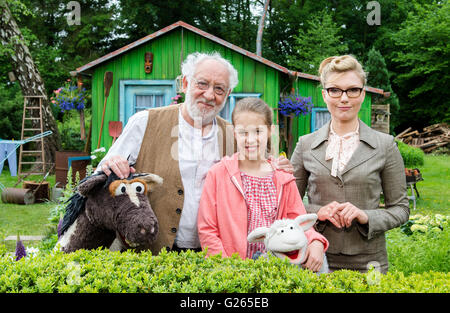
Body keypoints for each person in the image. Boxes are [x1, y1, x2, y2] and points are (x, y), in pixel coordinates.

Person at [97, 52, 292, 255]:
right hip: (150, 253)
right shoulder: (144, 122)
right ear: (185, 83)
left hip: (214, 255)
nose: (209, 95)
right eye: (202, 84)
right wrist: (112, 164)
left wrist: (279, 167)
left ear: (228, 93)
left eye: (219, 89)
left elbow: (265, 169)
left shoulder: (234, 134)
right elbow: (102, 175)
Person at [290, 55, 409, 274]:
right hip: (316, 257)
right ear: (324, 94)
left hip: (369, 262)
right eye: (335, 90)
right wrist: (318, 212)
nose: (344, 98)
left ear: (362, 94)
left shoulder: (385, 145)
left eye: (352, 90)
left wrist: (366, 216)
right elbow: (288, 206)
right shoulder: (305, 145)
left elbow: (400, 209)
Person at [197, 98, 329, 272]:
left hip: (277, 270)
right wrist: (226, 269)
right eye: (243, 132)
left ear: (270, 131)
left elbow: (297, 220)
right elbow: (208, 229)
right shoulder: (218, 174)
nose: (250, 139)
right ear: (234, 133)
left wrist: (316, 241)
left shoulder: (282, 176)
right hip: (233, 271)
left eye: (258, 131)